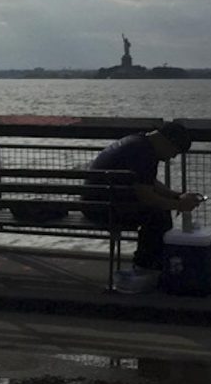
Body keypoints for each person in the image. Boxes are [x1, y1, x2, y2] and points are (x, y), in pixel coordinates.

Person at [84, 121, 203, 293]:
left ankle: (149, 265)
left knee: (158, 211)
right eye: (174, 152)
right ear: (167, 142)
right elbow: (146, 196)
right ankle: (146, 267)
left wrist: (176, 196)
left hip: (97, 203)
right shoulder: (144, 153)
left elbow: (148, 182)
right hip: (102, 209)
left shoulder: (137, 142)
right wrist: (179, 204)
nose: (171, 158)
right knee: (157, 216)